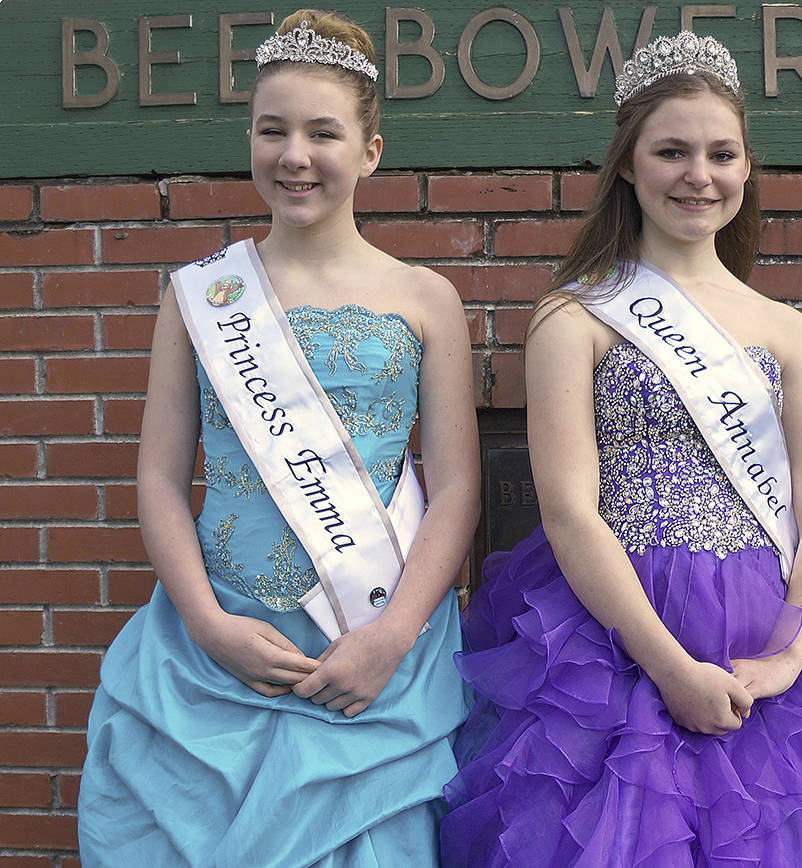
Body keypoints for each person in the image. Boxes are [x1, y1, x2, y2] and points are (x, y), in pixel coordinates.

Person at [438, 32, 802, 867]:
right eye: (671, 151)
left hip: (760, 632)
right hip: (616, 636)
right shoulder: (577, 316)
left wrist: (787, 658)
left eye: (720, 153)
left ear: (746, 169)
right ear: (629, 166)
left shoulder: (786, 331)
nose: (697, 175)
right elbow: (569, 512)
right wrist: (669, 666)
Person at [78, 10, 479, 866]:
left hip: (374, 649)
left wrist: (390, 638)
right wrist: (207, 622)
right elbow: (158, 478)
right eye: (273, 131)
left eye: (322, 133)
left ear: (371, 150)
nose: (295, 156)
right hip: (217, 647)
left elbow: (456, 489)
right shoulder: (200, 298)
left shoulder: (426, 299)